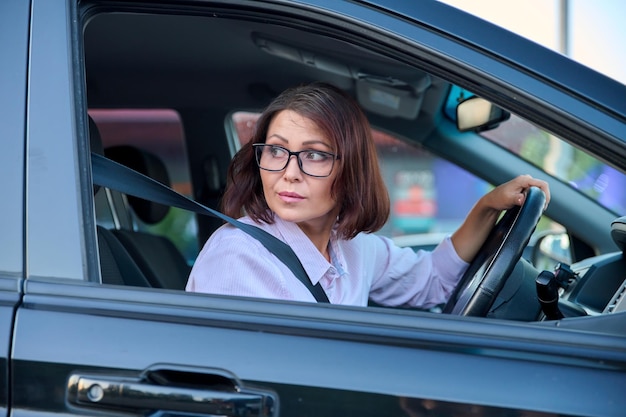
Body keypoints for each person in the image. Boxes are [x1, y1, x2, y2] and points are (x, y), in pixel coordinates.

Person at [186, 82, 550, 307]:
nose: (289, 173)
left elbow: (433, 281)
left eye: (314, 154)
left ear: (352, 169)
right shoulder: (237, 257)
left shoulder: (350, 246)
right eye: (276, 151)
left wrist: (487, 206)